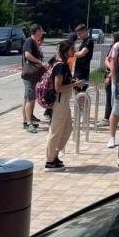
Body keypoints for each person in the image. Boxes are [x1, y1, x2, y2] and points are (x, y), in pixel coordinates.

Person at [45, 40, 85, 169]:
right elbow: (58, 88)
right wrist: (75, 84)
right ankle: (49, 161)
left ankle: (55, 155)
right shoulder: (60, 66)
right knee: (55, 131)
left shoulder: (64, 64)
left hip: (64, 102)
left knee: (68, 129)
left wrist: (73, 82)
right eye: (72, 49)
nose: (74, 51)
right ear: (66, 51)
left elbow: (63, 82)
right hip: (60, 102)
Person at [21, 24, 46, 134]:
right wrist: (40, 62)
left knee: (28, 98)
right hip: (29, 75)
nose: (42, 33)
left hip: (33, 75)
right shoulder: (29, 41)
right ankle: (28, 123)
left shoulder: (34, 42)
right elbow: (27, 55)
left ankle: (27, 119)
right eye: (41, 31)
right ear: (37, 31)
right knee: (30, 99)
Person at [103, 31, 119, 124]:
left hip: (114, 76)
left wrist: (109, 75)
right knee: (110, 98)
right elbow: (107, 60)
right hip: (110, 73)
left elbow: (115, 65)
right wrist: (110, 67)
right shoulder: (113, 46)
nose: (111, 39)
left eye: (112, 37)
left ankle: (113, 119)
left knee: (115, 99)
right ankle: (108, 118)